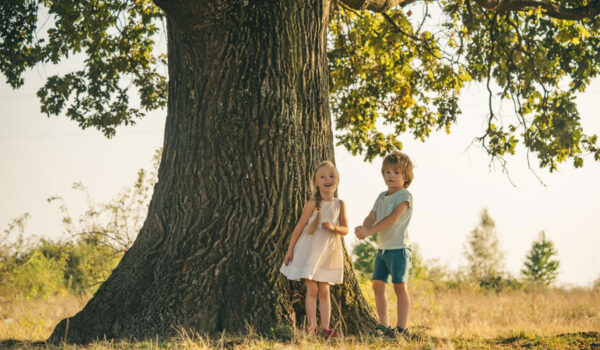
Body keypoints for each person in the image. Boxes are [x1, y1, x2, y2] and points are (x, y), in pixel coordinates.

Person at [280, 161, 348, 338]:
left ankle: (325, 328)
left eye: (331, 176)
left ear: (338, 180)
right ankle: (312, 326)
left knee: (324, 290)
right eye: (323, 177)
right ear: (316, 182)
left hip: (327, 253)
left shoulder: (340, 204)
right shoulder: (312, 203)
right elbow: (299, 227)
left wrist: (334, 228)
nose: (328, 179)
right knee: (313, 290)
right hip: (309, 251)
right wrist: (290, 250)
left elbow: (345, 229)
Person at [355, 151, 414, 338]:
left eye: (396, 173)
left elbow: (392, 219)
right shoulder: (381, 196)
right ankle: (383, 324)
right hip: (382, 250)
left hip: (399, 250)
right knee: (378, 286)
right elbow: (372, 215)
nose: (391, 176)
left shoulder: (405, 195)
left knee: (399, 286)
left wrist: (370, 232)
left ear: (405, 177)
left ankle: (402, 328)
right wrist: (364, 228)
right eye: (387, 172)